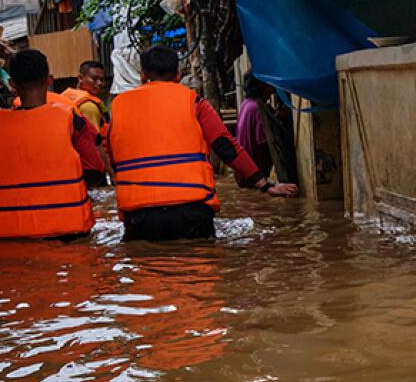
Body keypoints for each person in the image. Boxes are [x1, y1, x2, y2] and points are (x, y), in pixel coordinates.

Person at [107, 45, 298, 242]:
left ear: (142, 75)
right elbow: (226, 146)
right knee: (200, 267)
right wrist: (265, 185)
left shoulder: (118, 107)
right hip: (191, 210)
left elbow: (113, 157)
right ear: (178, 75)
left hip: (140, 216)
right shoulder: (194, 102)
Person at [0, 49, 100, 239]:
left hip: (11, 237)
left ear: (12, 84)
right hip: (68, 233)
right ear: (50, 80)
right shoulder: (72, 120)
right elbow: (95, 172)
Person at [61, 60, 112, 187]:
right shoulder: (89, 107)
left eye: (102, 79)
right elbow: (96, 144)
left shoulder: (64, 99)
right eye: (94, 79)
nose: (99, 83)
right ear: (80, 78)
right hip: (91, 170)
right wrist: (111, 173)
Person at [235, 72, 273, 186]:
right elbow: (264, 141)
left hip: (244, 173)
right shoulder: (257, 108)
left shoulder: (245, 104)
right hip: (256, 175)